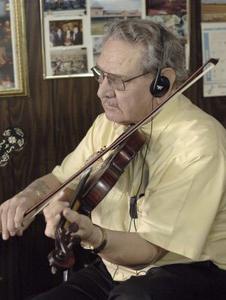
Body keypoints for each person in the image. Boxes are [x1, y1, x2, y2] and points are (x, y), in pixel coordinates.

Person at [1, 19, 226, 300]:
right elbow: (61, 180)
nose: (102, 91)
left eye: (117, 80)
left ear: (162, 82)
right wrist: (29, 198)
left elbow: (151, 249)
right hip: (116, 266)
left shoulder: (197, 142)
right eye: (101, 75)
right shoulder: (108, 124)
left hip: (187, 270)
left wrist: (95, 236)